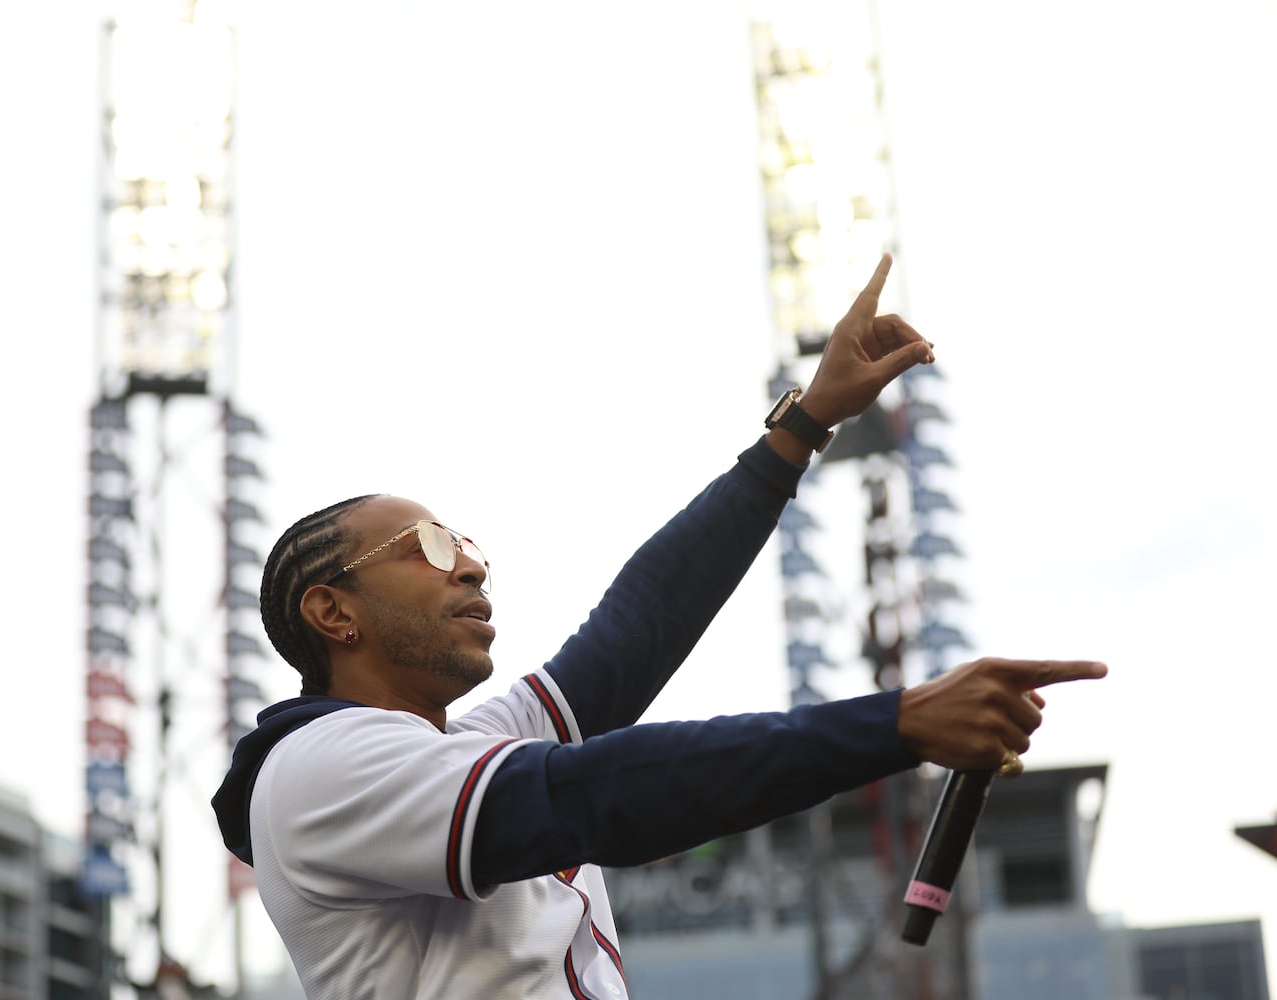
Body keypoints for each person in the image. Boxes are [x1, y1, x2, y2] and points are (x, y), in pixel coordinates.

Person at [211, 254, 1106, 999]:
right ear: (331, 611)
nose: (472, 564)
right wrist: (895, 723)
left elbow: (632, 636)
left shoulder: (452, 747)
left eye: (467, 544)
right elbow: (594, 795)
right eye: (429, 544)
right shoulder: (320, 767)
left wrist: (802, 426)